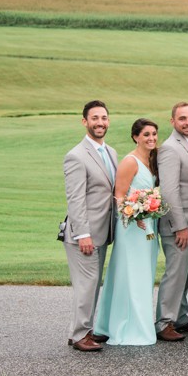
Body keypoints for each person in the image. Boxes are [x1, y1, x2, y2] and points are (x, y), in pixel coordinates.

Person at [94, 118, 161, 345]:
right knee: (130, 274)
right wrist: (134, 214)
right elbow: (119, 195)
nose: (151, 138)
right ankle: (126, 326)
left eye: (154, 134)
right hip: (131, 228)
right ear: (136, 137)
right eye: (146, 135)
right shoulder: (130, 161)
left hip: (149, 228)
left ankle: (137, 322)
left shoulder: (152, 160)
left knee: (144, 276)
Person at [62, 100, 117, 352]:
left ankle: (85, 330)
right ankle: (79, 334)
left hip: (102, 231)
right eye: (95, 118)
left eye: (104, 118)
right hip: (83, 235)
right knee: (87, 283)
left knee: (94, 283)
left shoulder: (111, 153)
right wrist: (83, 233)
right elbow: (75, 199)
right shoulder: (76, 156)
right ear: (85, 122)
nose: (100, 123)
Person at [155, 102, 188, 342]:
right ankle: (164, 322)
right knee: (175, 274)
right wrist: (180, 226)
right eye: (183, 118)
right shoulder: (169, 149)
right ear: (172, 121)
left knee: (185, 274)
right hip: (179, 225)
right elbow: (169, 191)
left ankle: (180, 318)